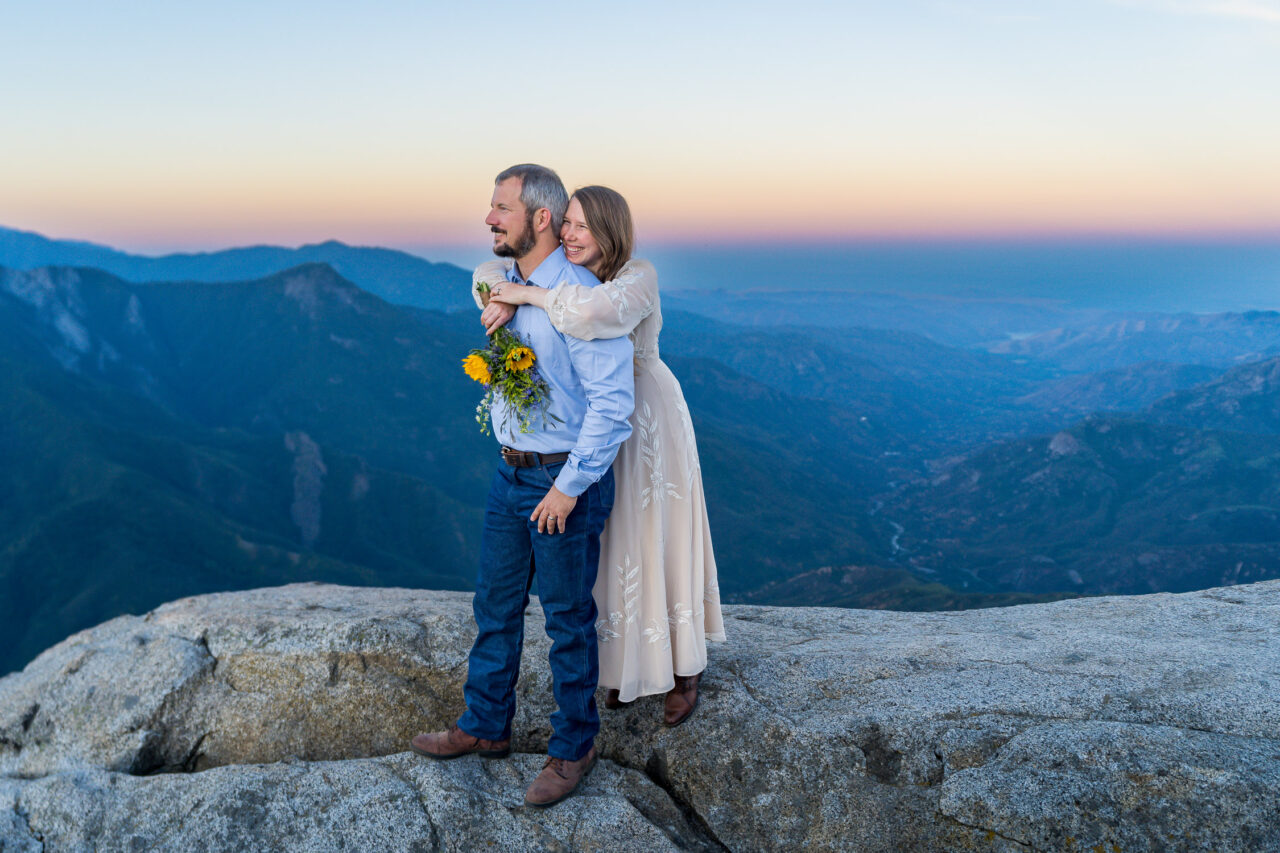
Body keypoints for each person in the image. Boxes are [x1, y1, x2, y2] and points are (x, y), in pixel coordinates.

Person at [410, 165, 635, 809]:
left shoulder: (581, 300)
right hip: (509, 472)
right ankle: (484, 728)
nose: (488, 218)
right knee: (496, 607)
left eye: (500, 207)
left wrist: (566, 489)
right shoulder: (508, 284)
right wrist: (506, 293)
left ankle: (574, 747)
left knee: (567, 619)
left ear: (540, 218)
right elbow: (483, 275)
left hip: (563, 480)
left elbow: (612, 405)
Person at [474, 185, 725, 727]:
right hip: (591, 422)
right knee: (612, 548)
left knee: (656, 532)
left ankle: (684, 667)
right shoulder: (560, 272)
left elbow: (592, 312)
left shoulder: (637, 276)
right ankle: (628, 666)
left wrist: (525, 296)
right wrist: (503, 290)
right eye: (567, 223)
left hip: (646, 419)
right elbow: (488, 271)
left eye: (584, 227)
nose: (569, 235)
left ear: (610, 230)